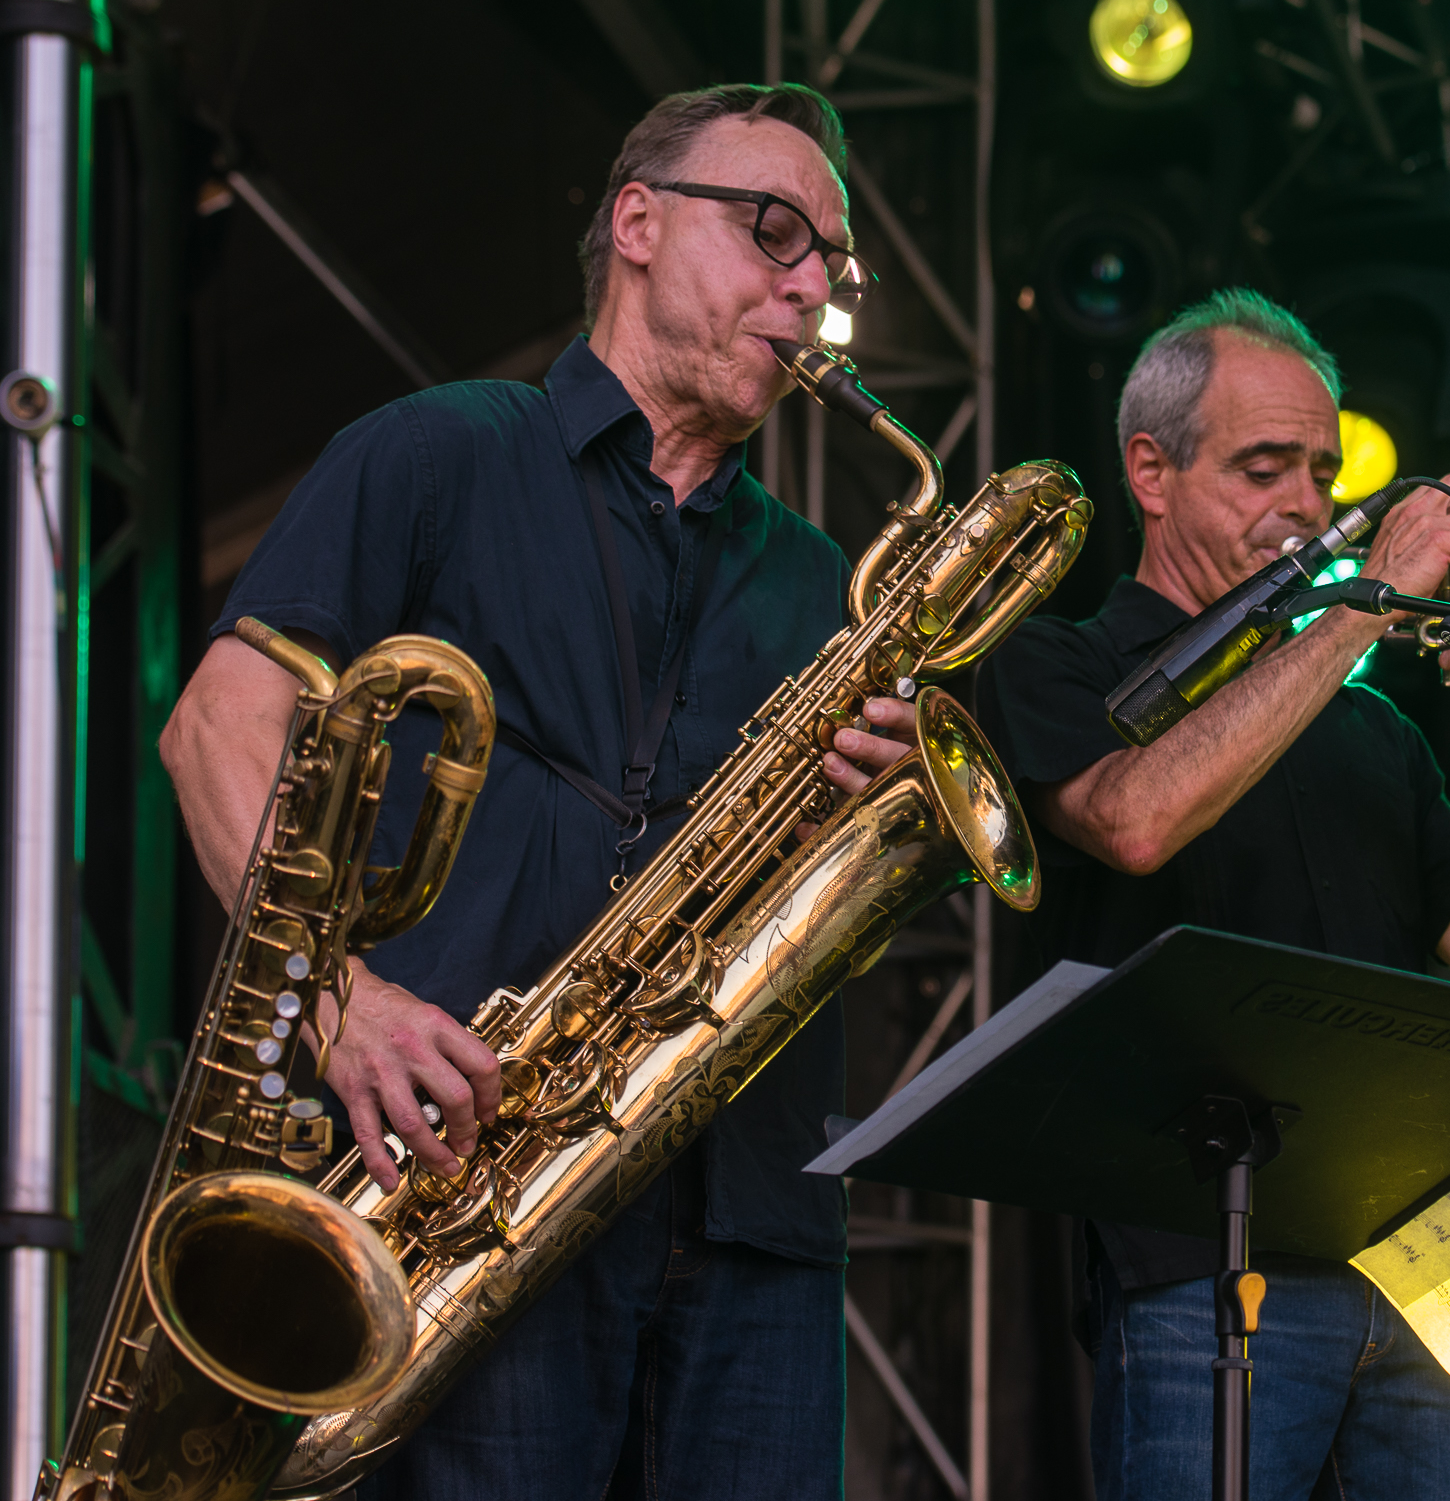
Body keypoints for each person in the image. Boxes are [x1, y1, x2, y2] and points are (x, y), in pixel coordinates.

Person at [159, 83, 909, 1499]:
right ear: (636, 221)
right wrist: (340, 1000)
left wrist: (847, 819)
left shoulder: (822, 581)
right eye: (773, 233)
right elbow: (217, 726)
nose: (810, 286)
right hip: (474, 1181)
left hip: (747, 1216)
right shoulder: (440, 449)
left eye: (832, 265)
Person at [978, 288, 1450, 1501]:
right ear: (1151, 471)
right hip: (1200, 1265)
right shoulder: (1057, 660)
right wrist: (1361, 606)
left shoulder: (1369, 728)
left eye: (1319, 466)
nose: (1304, 503)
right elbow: (1134, 819)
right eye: (1263, 468)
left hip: (1413, 1265)